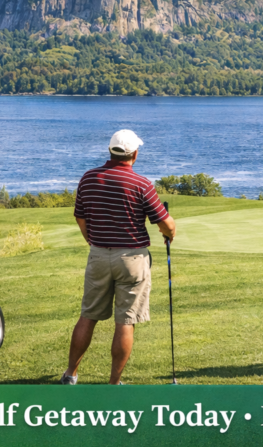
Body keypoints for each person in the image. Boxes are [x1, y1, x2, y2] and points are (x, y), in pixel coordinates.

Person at [61, 129, 177, 385]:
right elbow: (165, 224)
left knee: (88, 315)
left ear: (110, 151)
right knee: (125, 321)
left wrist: (92, 240)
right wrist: (171, 233)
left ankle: (70, 374)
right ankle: (114, 383)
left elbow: (80, 216)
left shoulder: (89, 178)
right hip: (132, 259)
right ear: (134, 154)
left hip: (99, 255)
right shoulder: (142, 184)